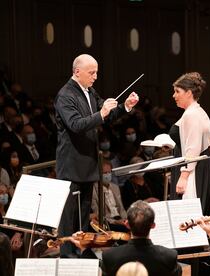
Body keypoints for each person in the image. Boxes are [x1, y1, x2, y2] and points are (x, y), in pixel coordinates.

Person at [55, 54, 139, 257]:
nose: (95, 77)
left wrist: (125, 106)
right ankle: (68, 256)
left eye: (96, 73)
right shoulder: (65, 95)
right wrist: (101, 113)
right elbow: (76, 125)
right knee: (69, 218)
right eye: (91, 73)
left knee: (83, 216)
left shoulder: (89, 91)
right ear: (77, 72)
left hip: (88, 163)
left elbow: (105, 115)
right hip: (72, 165)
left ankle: (82, 252)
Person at [70, 200, 182, 276]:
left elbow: (99, 270)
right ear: (153, 225)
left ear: (127, 224)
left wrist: (84, 249)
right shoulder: (169, 256)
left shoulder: (111, 256)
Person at [168, 72, 210, 214]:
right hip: (198, 165)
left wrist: (183, 177)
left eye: (177, 91)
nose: (174, 95)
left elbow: (193, 148)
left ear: (189, 93)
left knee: (189, 214)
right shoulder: (196, 111)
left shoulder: (191, 114)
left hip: (193, 169)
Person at [90, 160, 128, 232]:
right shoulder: (93, 190)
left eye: (109, 172)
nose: (107, 175)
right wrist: (115, 222)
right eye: (105, 173)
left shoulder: (115, 187)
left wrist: (126, 220)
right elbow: (98, 214)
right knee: (125, 229)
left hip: (120, 219)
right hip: (108, 221)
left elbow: (121, 208)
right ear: (98, 174)